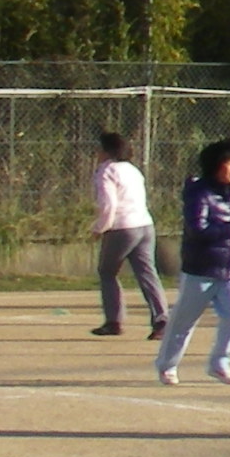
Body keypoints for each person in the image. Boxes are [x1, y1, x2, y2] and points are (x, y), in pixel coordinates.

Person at [154, 139, 230, 387]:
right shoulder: (199, 194)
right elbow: (198, 230)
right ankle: (167, 366)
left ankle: (219, 363)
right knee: (183, 323)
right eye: (229, 163)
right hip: (200, 270)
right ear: (215, 165)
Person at [89, 129, 166, 341]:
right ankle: (161, 320)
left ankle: (114, 321)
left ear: (106, 151)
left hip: (122, 227)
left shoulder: (106, 170)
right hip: (144, 224)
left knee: (107, 272)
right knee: (147, 272)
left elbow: (108, 204)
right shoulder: (132, 169)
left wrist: (99, 228)